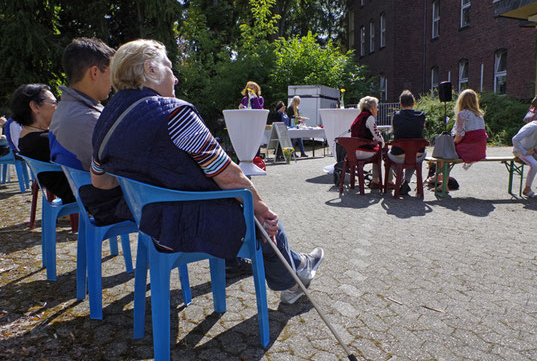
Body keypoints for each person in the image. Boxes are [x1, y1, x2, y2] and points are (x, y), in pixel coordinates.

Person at [90, 39, 324, 304]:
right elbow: (228, 176)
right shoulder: (174, 114)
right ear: (151, 69)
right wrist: (261, 208)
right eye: (169, 67)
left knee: (256, 213)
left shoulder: (105, 121)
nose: (176, 78)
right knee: (266, 221)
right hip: (191, 227)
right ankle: (292, 283)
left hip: (152, 227)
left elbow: (101, 182)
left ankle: (298, 267)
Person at [49, 37, 131, 224]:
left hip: (88, 198)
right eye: (111, 73)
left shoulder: (65, 109)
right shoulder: (88, 119)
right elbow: (127, 166)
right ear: (94, 72)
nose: (114, 81)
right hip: (110, 205)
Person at [9, 84, 74, 203]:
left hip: (66, 191)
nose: (57, 107)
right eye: (54, 102)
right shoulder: (43, 140)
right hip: (77, 192)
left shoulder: (26, 137)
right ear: (35, 106)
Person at [385, 90, 426, 194]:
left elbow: (394, 130)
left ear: (400, 104)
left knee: (387, 154)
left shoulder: (396, 116)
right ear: (413, 103)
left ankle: (399, 176)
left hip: (399, 153)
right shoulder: (421, 115)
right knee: (415, 157)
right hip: (417, 153)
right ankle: (406, 181)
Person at [350, 96, 385, 189]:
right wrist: (384, 145)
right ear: (372, 107)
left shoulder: (358, 117)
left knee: (377, 149)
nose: (377, 109)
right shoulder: (369, 118)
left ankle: (375, 180)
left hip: (352, 151)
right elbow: (377, 136)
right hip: (363, 151)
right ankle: (377, 181)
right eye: (377, 107)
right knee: (381, 151)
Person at [452, 89, 488, 165]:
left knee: (443, 154)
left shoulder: (463, 114)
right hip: (480, 151)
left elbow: (459, 136)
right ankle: (441, 176)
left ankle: (441, 176)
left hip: (468, 150)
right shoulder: (479, 115)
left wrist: (451, 143)